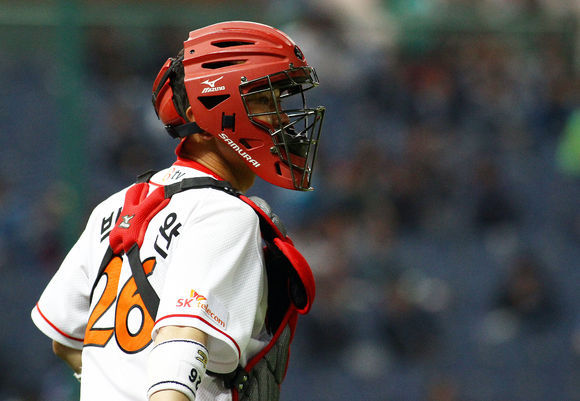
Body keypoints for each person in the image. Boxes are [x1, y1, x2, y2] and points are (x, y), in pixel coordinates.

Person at [31, 21, 325, 401]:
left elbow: (65, 339)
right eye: (264, 101)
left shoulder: (113, 206)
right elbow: (182, 339)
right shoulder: (225, 213)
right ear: (208, 118)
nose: (282, 117)